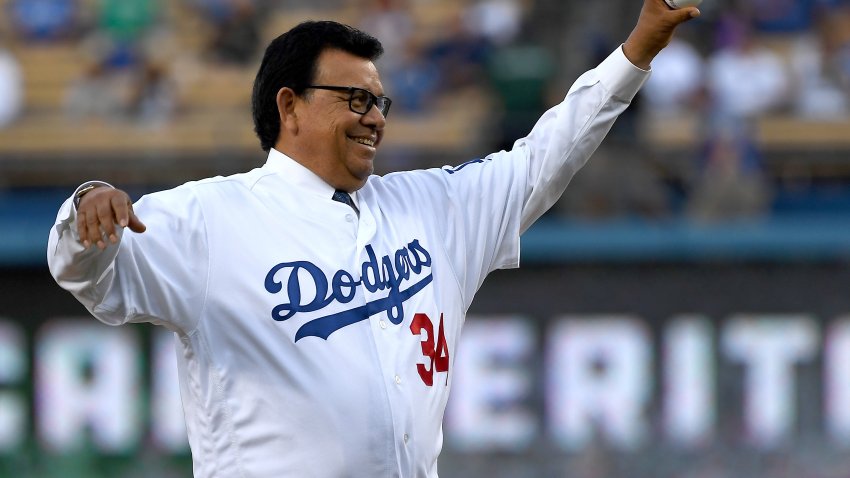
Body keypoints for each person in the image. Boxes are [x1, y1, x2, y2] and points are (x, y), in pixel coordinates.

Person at [47, 2, 699, 476]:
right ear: (290, 105)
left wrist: (634, 53)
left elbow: (543, 156)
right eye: (355, 99)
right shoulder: (212, 217)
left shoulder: (431, 206)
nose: (375, 117)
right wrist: (84, 213)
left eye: (381, 102)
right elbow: (90, 276)